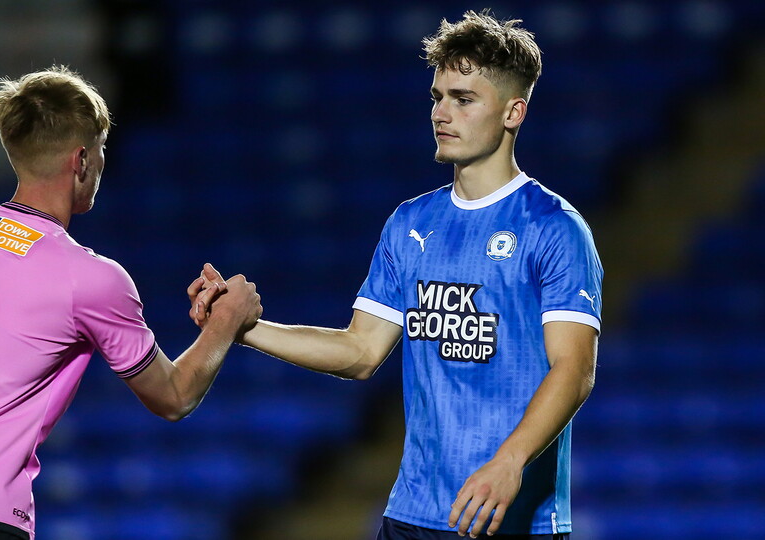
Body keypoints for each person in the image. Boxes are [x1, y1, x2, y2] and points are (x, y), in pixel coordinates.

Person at [190, 10, 602, 540]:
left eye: (464, 98)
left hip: (514, 517)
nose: (441, 113)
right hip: (412, 515)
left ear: (513, 112)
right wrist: (239, 327)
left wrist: (510, 462)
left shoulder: (555, 228)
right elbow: (361, 352)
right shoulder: (411, 222)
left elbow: (574, 370)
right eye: (437, 96)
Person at [0, 65, 261, 540]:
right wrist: (227, 320)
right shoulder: (92, 278)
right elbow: (174, 396)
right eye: (101, 151)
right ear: (81, 160)